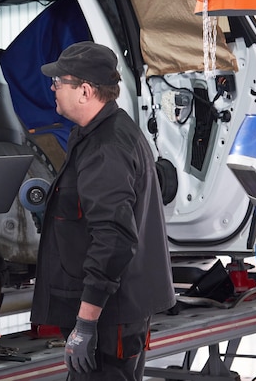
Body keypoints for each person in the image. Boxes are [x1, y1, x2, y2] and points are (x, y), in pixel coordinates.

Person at [30, 41, 175, 381]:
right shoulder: (98, 133)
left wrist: (85, 323)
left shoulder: (106, 146)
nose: (52, 89)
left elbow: (114, 240)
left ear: (84, 90)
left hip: (109, 320)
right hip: (115, 313)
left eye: (58, 82)